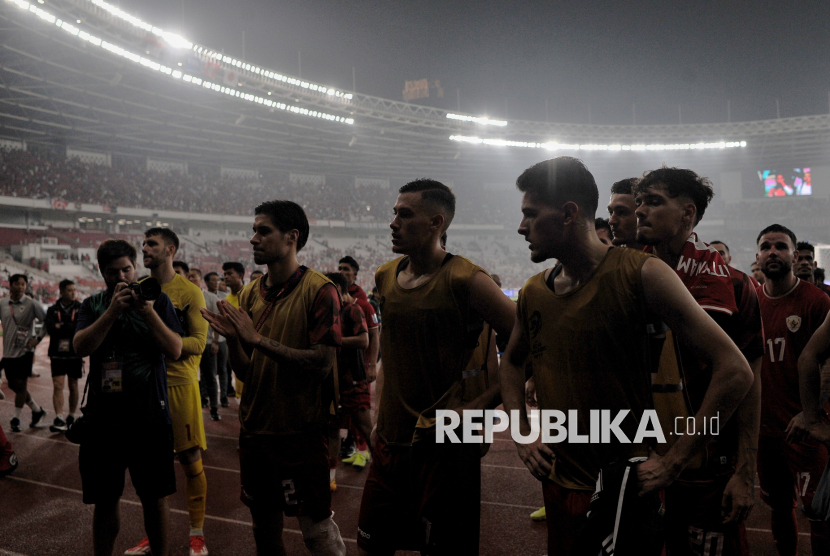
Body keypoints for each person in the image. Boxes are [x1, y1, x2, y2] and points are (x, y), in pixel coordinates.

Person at [499, 157, 754, 555]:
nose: (521, 226)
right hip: (558, 482)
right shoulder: (535, 290)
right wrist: (523, 434)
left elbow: (736, 371)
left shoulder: (643, 274)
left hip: (625, 487)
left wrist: (675, 459)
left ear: (568, 214)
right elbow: (512, 362)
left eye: (530, 214)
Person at [356, 178, 516, 556]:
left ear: (436, 223)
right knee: (370, 547)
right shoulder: (385, 275)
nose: (393, 222)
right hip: (390, 439)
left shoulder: (467, 279)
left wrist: (480, 407)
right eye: (394, 213)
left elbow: (531, 343)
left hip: (445, 443)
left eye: (405, 214)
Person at [201, 200, 346, 555]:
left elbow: (322, 363)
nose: (253, 239)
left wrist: (257, 339)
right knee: (263, 529)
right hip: (255, 433)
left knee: (317, 531)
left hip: (300, 433)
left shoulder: (320, 290)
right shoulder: (249, 294)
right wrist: (235, 341)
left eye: (263, 231)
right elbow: (246, 371)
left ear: (291, 237)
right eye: (254, 231)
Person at [633, 167, 764, 555]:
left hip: (707, 465)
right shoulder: (621, 276)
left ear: (687, 214)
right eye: (639, 201)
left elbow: (749, 383)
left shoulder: (738, 285)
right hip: (638, 456)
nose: (641, 210)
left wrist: (745, 471)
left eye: (654, 201)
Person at [73, 239, 183, 556]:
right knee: (105, 499)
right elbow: (80, 347)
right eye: (113, 272)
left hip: (150, 414)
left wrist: (145, 311)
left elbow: (175, 350)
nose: (122, 278)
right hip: (104, 418)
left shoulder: (158, 302)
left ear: (135, 267)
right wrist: (112, 311)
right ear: (102, 273)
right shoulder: (92, 304)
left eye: (127, 269)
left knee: (155, 496)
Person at [124, 228, 209, 556]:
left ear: (170, 249)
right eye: (143, 244)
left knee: (189, 459)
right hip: (146, 387)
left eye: (152, 244)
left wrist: (164, 345)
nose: (144, 249)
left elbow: (199, 343)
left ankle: (197, 533)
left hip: (179, 386)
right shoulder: (136, 289)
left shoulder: (189, 292)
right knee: (151, 466)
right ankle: (154, 533)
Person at [752, 224, 830, 555]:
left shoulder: (816, 301)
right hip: (765, 429)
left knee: (817, 511)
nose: (773, 252)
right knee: (778, 507)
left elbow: (827, 363)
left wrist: (809, 413)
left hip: (804, 428)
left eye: (781, 246)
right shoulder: (750, 301)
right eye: (766, 246)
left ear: (794, 255)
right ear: (757, 257)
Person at [325, 272, 370, 486]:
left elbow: (364, 340)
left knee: (365, 427)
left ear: (341, 290)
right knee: (332, 429)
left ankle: (387, 470)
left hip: (353, 380)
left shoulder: (353, 309)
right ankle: (331, 478)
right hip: (333, 382)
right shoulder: (328, 312)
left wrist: (336, 341)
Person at [337, 256, 380, 464]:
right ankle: (353, 453)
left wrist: (371, 365)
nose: (342, 271)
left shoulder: (363, 303)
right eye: (339, 268)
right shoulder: (333, 300)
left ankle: (373, 457)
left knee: (362, 417)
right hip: (339, 371)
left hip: (358, 370)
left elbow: (374, 337)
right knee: (339, 419)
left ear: (355, 274)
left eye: (346, 269)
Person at [1, 274, 47, 432]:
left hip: (25, 351)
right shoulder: (2, 303)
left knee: (21, 385)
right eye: (17, 284)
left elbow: (47, 321)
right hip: (8, 352)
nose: (21, 287)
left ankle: (16, 418)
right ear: (10, 285)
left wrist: (38, 339)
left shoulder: (32, 304)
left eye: (23, 284)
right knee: (13, 384)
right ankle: (37, 411)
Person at [45, 279, 84, 433]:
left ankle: (72, 415)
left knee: (73, 385)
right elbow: (50, 329)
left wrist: (61, 326)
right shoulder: (52, 309)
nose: (73, 292)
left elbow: (81, 327)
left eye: (74, 290)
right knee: (58, 385)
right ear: (61, 292)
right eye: (69, 290)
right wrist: (69, 327)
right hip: (57, 353)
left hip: (75, 352)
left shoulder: (81, 308)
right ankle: (59, 417)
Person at [187, 268, 222, 420]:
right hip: (191, 344)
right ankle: (199, 403)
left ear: (201, 279)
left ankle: (214, 408)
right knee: (192, 375)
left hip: (208, 343)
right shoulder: (185, 297)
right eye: (188, 277)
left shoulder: (211, 298)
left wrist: (215, 341)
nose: (190, 279)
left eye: (193, 276)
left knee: (210, 376)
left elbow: (217, 322)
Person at [204, 271, 230, 407]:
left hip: (221, 340)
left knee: (223, 369)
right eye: (213, 280)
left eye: (217, 280)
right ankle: (207, 397)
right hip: (210, 340)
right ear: (207, 283)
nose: (216, 282)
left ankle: (224, 396)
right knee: (210, 372)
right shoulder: (204, 296)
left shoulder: (224, 297)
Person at [223, 261, 246, 397]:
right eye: (225, 274)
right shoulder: (225, 301)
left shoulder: (250, 296)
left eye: (229, 273)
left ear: (240, 275)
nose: (226, 277)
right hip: (234, 347)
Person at [606, 177, 644, 250]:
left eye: (622, 213)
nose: (611, 221)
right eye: (611, 212)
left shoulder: (664, 258)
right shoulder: (611, 259)